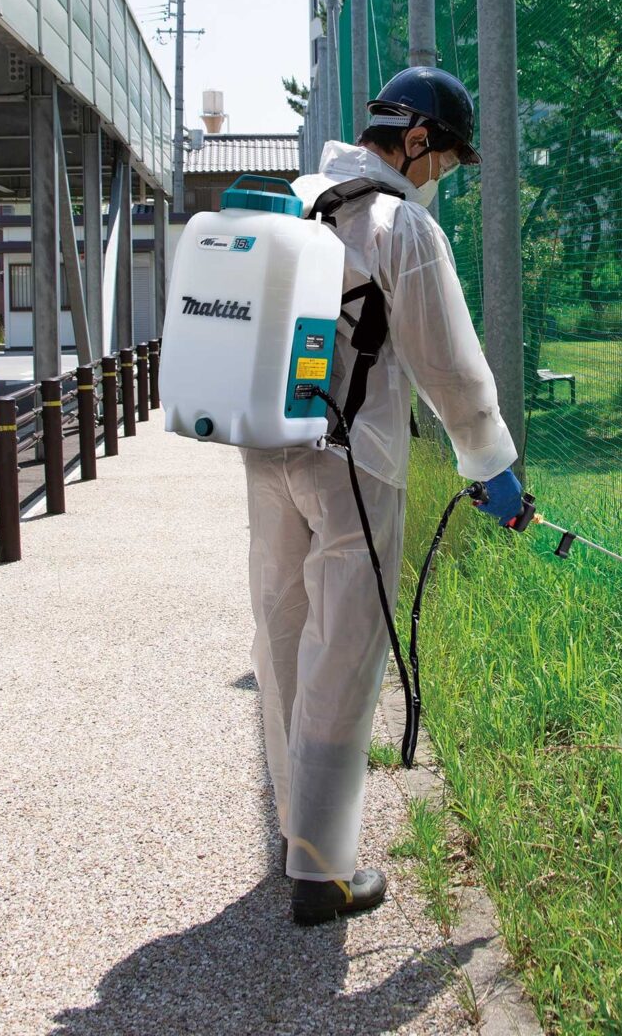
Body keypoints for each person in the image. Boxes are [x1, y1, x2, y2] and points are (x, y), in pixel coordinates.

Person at [246, 66, 524, 926]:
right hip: (352, 466)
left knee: (283, 632)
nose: (443, 175)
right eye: (444, 159)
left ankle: (296, 830)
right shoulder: (399, 225)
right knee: (344, 653)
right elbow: (450, 368)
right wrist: (490, 463)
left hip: (267, 447)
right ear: (416, 140)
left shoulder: (299, 199)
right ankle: (323, 871)